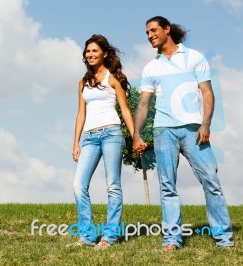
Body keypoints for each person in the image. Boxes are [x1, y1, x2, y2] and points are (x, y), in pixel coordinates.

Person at [133, 16, 234, 251]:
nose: (149, 35)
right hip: (163, 131)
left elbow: (207, 93)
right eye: (147, 33)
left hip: (193, 130)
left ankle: (224, 238)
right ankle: (171, 239)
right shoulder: (151, 67)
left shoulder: (194, 57)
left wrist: (206, 124)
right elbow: (143, 105)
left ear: (167, 30)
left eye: (153, 30)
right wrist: (137, 134)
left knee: (211, 181)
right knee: (167, 186)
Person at [71, 34, 134, 250]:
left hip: (111, 134)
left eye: (94, 51)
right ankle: (87, 236)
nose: (90, 54)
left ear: (104, 53)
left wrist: (135, 136)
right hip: (89, 137)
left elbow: (125, 110)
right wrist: (76, 143)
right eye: (87, 51)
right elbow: (81, 114)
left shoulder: (113, 78)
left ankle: (109, 237)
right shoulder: (83, 83)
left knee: (112, 186)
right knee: (79, 185)